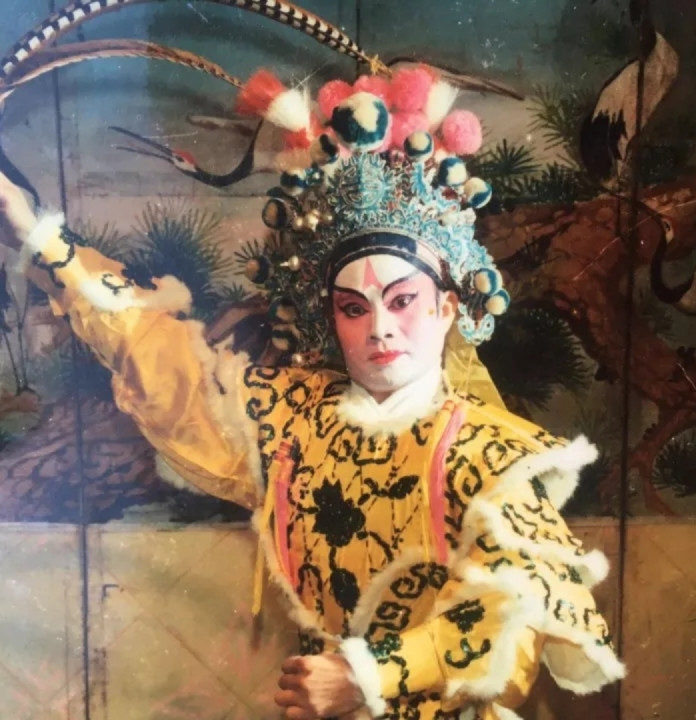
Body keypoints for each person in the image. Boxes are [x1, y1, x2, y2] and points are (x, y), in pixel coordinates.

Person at [0, 65, 624, 720]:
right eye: (354, 308)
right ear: (332, 319)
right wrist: (40, 238)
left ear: (446, 308)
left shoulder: (488, 453)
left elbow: (517, 613)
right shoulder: (294, 418)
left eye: (402, 301)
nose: (379, 327)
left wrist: (366, 674)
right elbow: (164, 357)